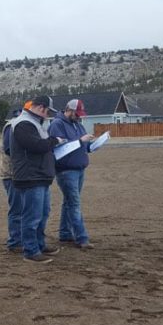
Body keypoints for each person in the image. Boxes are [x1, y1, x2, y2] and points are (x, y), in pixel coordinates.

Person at [10, 95, 65, 263]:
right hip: (30, 176)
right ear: (41, 108)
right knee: (32, 216)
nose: (48, 115)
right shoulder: (23, 124)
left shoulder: (33, 123)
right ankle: (31, 250)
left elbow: (40, 145)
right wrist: (55, 140)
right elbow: (36, 146)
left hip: (39, 176)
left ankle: (39, 244)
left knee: (42, 214)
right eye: (48, 111)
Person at [49, 99, 97, 249]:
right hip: (66, 170)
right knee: (74, 204)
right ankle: (82, 237)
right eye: (77, 114)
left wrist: (92, 144)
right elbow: (60, 147)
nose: (79, 117)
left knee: (69, 202)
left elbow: (83, 146)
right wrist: (80, 140)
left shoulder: (78, 124)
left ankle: (65, 233)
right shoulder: (57, 125)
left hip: (79, 168)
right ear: (68, 110)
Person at [0, 106, 23, 252]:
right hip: (11, 174)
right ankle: (15, 241)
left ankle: (19, 239)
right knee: (16, 209)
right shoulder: (11, 127)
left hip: (19, 174)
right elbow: (9, 149)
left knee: (21, 209)